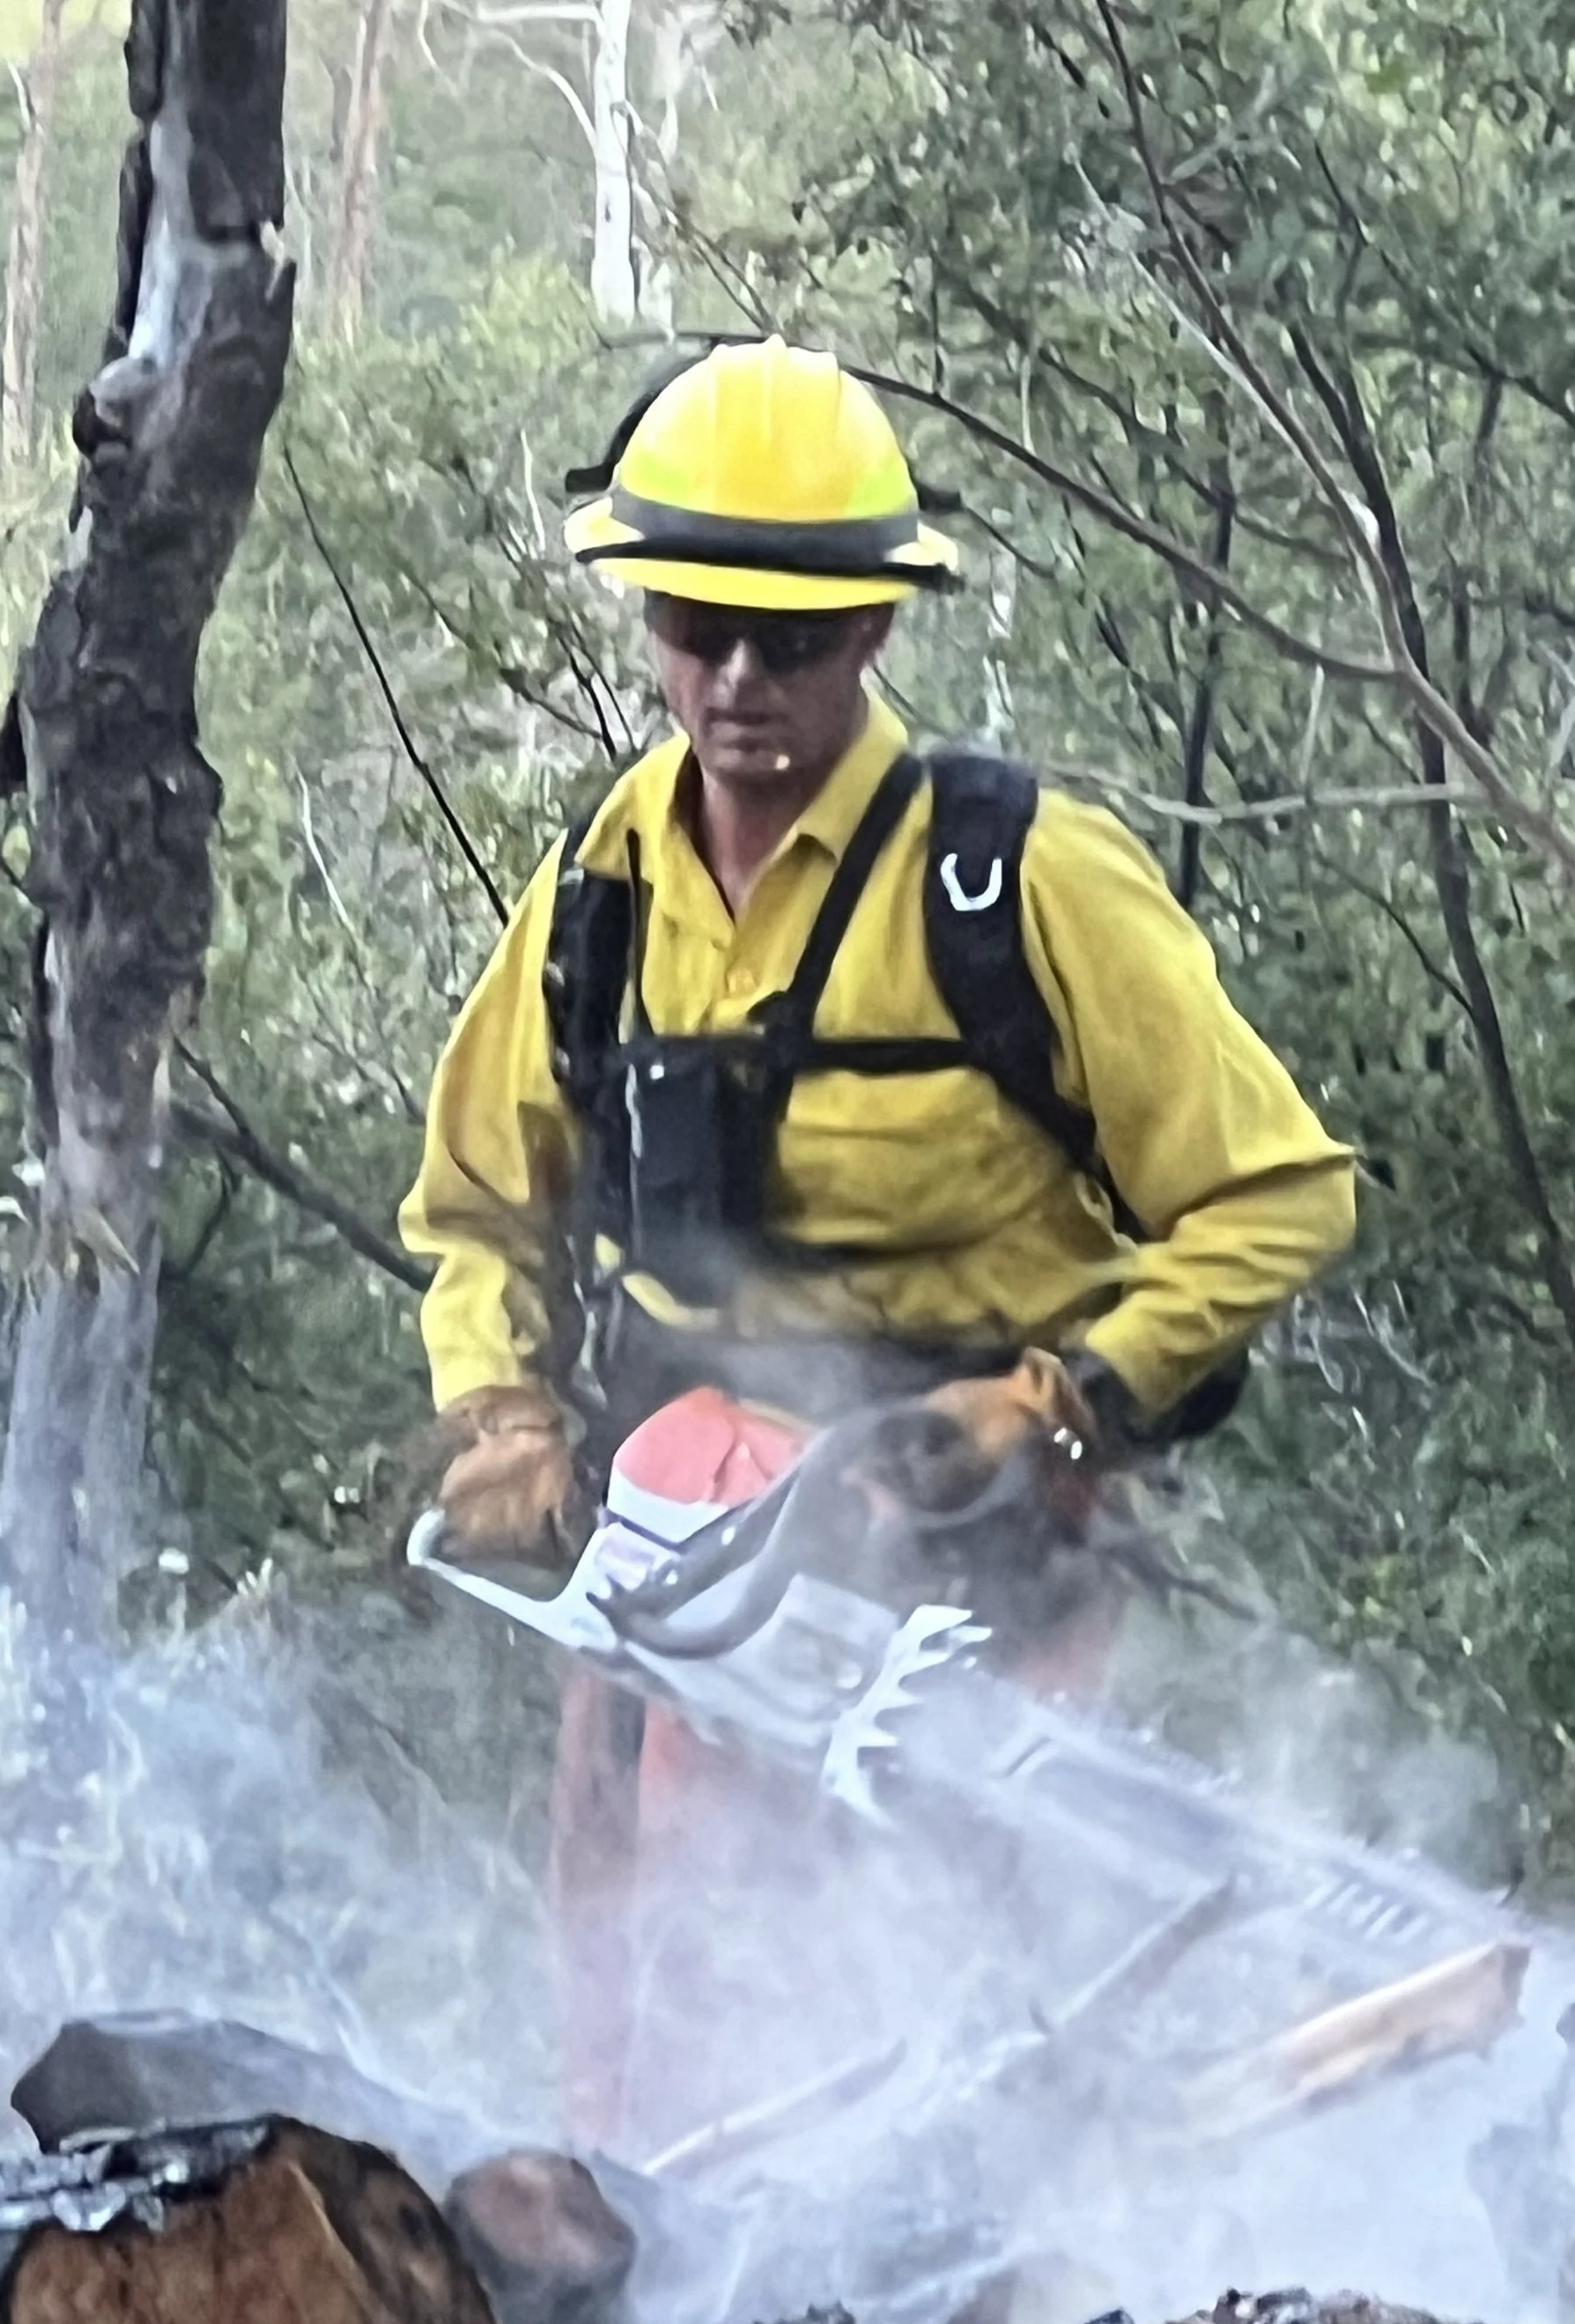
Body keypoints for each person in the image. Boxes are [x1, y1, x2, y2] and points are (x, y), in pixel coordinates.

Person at [399, 338, 1357, 2147]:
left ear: (877, 633)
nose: (740, 678)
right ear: (650, 617)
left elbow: (1280, 1191)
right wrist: (497, 1412)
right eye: (700, 628)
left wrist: (1057, 1400)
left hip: (975, 1535)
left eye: (799, 637)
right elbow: (473, 1205)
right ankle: (635, 2264)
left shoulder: (1010, 880)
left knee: (922, 2011)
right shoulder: (601, 885)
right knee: (640, 1968)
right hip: (683, 1534)